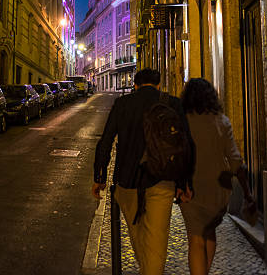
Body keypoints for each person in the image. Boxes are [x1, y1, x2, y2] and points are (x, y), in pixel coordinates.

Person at [91, 68, 194, 275]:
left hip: (128, 181)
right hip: (162, 181)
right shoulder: (172, 103)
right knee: (156, 240)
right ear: (158, 85)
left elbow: (106, 141)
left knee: (138, 237)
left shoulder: (123, 104)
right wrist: (184, 183)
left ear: (135, 85)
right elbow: (186, 146)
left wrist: (99, 177)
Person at [179, 78, 256, 275]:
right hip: (217, 189)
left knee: (195, 239)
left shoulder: (183, 121)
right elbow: (236, 161)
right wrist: (247, 193)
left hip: (190, 186)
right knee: (209, 232)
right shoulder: (222, 122)